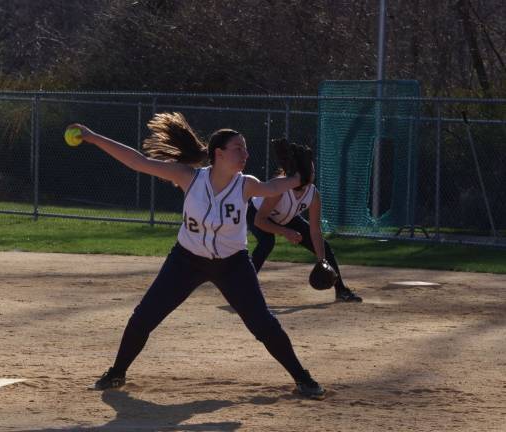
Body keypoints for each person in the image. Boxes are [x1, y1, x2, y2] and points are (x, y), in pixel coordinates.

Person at [68, 112, 326, 399]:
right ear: (219, 153)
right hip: (186, 261)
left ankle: (303, 378)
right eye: (237, 148)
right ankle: (117, 372)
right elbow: (137, 162)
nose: (245, 153)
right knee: (144, 317)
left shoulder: (246, 184)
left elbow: (273, 187)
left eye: (245, 148)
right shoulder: (188, 177)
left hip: (233, 265)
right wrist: (92, 137)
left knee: (263, 323)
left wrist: (298, 178)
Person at [247, 139, 362, 302]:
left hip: (287, 216)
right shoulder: (280, 189)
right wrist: (285, 232)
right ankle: (245, 288)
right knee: (267, 242)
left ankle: (341, 290)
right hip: (256, 213)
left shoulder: (313, 194)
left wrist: (322, 260)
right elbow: (260, 221)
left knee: (324, 247)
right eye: (311, 171)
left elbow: (315, 230)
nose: (313, 174)